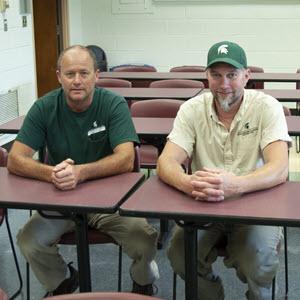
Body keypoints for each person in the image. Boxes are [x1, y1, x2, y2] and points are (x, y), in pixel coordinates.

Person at [7, 45, 159, 297]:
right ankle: (63, 282)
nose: (77, 80)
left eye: (84, 73)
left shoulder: (113, 104)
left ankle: (142, 281)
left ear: (96, 75)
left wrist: (80, 173)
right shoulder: (44, 107)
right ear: (59, 76)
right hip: (61, 198)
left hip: (111, 201)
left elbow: (125, 158)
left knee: (144, 238)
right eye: (69, 74)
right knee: (28, 240)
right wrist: (52, 173)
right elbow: (15, 159)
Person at [157, 41, 291, 300]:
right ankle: (211, 295)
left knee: (258, 259)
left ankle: (259, 295)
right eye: (216, 75)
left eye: (232, 75)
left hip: (255, 202)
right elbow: (166, 162)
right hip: (204, 203)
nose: (224, 84)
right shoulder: (191, 109)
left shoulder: (267, 107)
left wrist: (237, 185)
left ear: (246, 76)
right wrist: (188, 184)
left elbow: (280, 167)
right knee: (178, 254)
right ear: (206, 77)